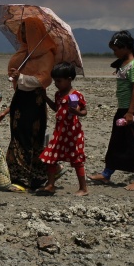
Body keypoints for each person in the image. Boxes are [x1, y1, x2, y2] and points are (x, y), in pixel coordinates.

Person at [1, 18, 56, 191]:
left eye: (27, 31)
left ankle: (34, 176)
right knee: (18, 134)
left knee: (33, 136)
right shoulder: (24, 52)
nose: (23, 34)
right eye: (22, 30)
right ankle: (18, 175)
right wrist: (16, 75)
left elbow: (44, 80)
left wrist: (22, 77)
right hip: (20, 99)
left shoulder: (47, 54)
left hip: (35, 101)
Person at [89, 31, 134, 191]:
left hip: (132, 109)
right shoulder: (123, 63)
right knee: (116, 141)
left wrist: (130, 112)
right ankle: (107, 173)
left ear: (126, 48)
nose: (114, 53)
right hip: (122, 108)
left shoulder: (133, 65)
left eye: (116, 49)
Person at [38, 62, 88, 196]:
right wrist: (46, 98)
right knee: (51, 157)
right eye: (55, 81)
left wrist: (76, 112)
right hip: (60, 133)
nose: (56, 84)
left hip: (73, 133)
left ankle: (83, 188)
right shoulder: (59, 94)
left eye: (59, 81)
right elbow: (56, 108)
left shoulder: (76, 95)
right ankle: (50, 185)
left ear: (69, 79)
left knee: (77, 160)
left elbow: (84, 112)